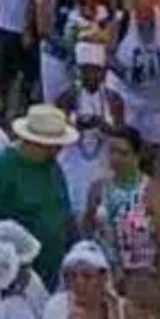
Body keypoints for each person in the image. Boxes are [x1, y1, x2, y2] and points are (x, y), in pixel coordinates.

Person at [0, 104, 79, 293]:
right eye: (52, 147)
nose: (57, 151)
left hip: (54, 271)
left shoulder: (53, 167)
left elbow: (64, 211)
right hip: (17, 278)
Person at [82, 125, 160, 307]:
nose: (116, 158)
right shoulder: (98, 188)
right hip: (105, 275)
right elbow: (87, 230)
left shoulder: (151, 191)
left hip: (142, 276)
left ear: (137, 156)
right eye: (113, 152)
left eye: (123, 153)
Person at [41, 241, 160, 319]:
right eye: (72, 276)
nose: (78, 282)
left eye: (87, 276)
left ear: (103, 279)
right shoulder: (57, 309)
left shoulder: (126, 310)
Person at [106, 0, 160, 167]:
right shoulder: (121, 23)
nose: (146, 15)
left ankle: (147, 178)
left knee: (152, 152)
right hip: (129, 99)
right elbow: (106, 54)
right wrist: (124, 72)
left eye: (149, 9)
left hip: (158, 100)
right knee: (129, 148)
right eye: (141, 10)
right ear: (133, 9)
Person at [55, 42, 126, 213]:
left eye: (96, 70)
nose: (91, 75)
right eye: (86, 70)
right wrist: (76, 126)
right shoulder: (68, 96)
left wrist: (102, 126)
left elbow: (122, 134)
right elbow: (57, 132)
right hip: (73, 160)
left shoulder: (114, 99)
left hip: (102, 160)